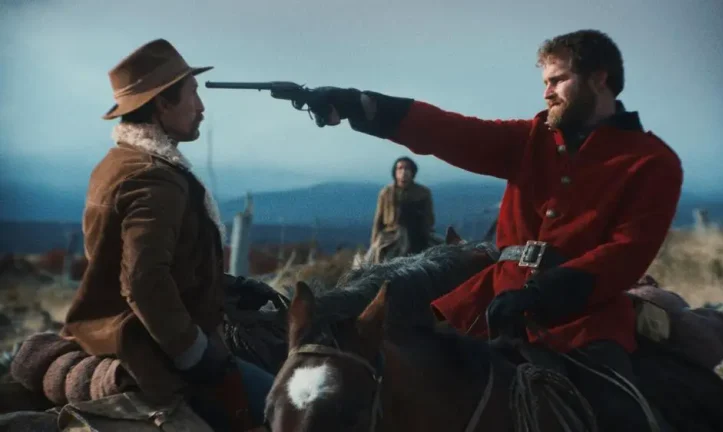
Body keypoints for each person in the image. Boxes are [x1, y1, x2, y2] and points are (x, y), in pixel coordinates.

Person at [295, 29, 683, 431]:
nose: (547, 93)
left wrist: (541, 294)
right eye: (545, 82)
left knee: (619, 413)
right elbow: (451, 132)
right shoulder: (530, 138)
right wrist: (358, 104)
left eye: (557, 80)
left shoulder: (652, 161)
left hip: (584, 323)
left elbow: (625, 253)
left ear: (599, 79)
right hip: (487, 306)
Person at [60, 39, 280, 431]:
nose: (201, 107)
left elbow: (161, 263)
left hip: (124, 329)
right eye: (192, 94)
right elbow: (143, 281)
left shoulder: (119, 162)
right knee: (288, 406)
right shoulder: (153, 178)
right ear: (162, 104)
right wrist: (195, 354)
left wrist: (228, 286)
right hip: (147, 346)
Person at [367, 156, 436, 263]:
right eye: (400, 168)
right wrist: (374, 241)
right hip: (390, 236)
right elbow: (378, 220)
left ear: (412, 172)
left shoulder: (423, 193)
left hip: (418, 234)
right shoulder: (386, 193)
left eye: (407, 168)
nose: (403, 172)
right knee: (374, 259)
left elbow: (429, 218)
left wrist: (424, 232)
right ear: (395, 172)